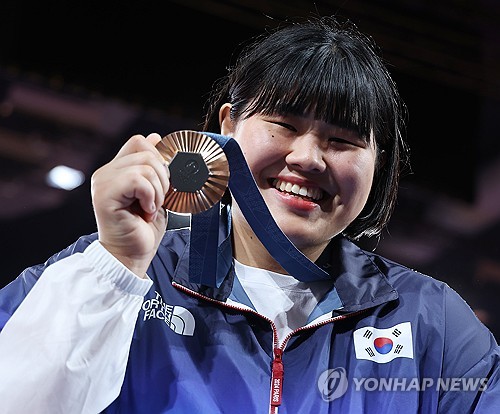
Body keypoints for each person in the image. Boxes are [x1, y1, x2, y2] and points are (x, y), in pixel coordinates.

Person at [0, 15, 498, 414]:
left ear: (377, 165)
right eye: (283, 123)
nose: (307, 158)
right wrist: (115, 269)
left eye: (343, 140)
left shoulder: (432, 322)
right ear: (228, 125)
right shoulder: (102, 273)